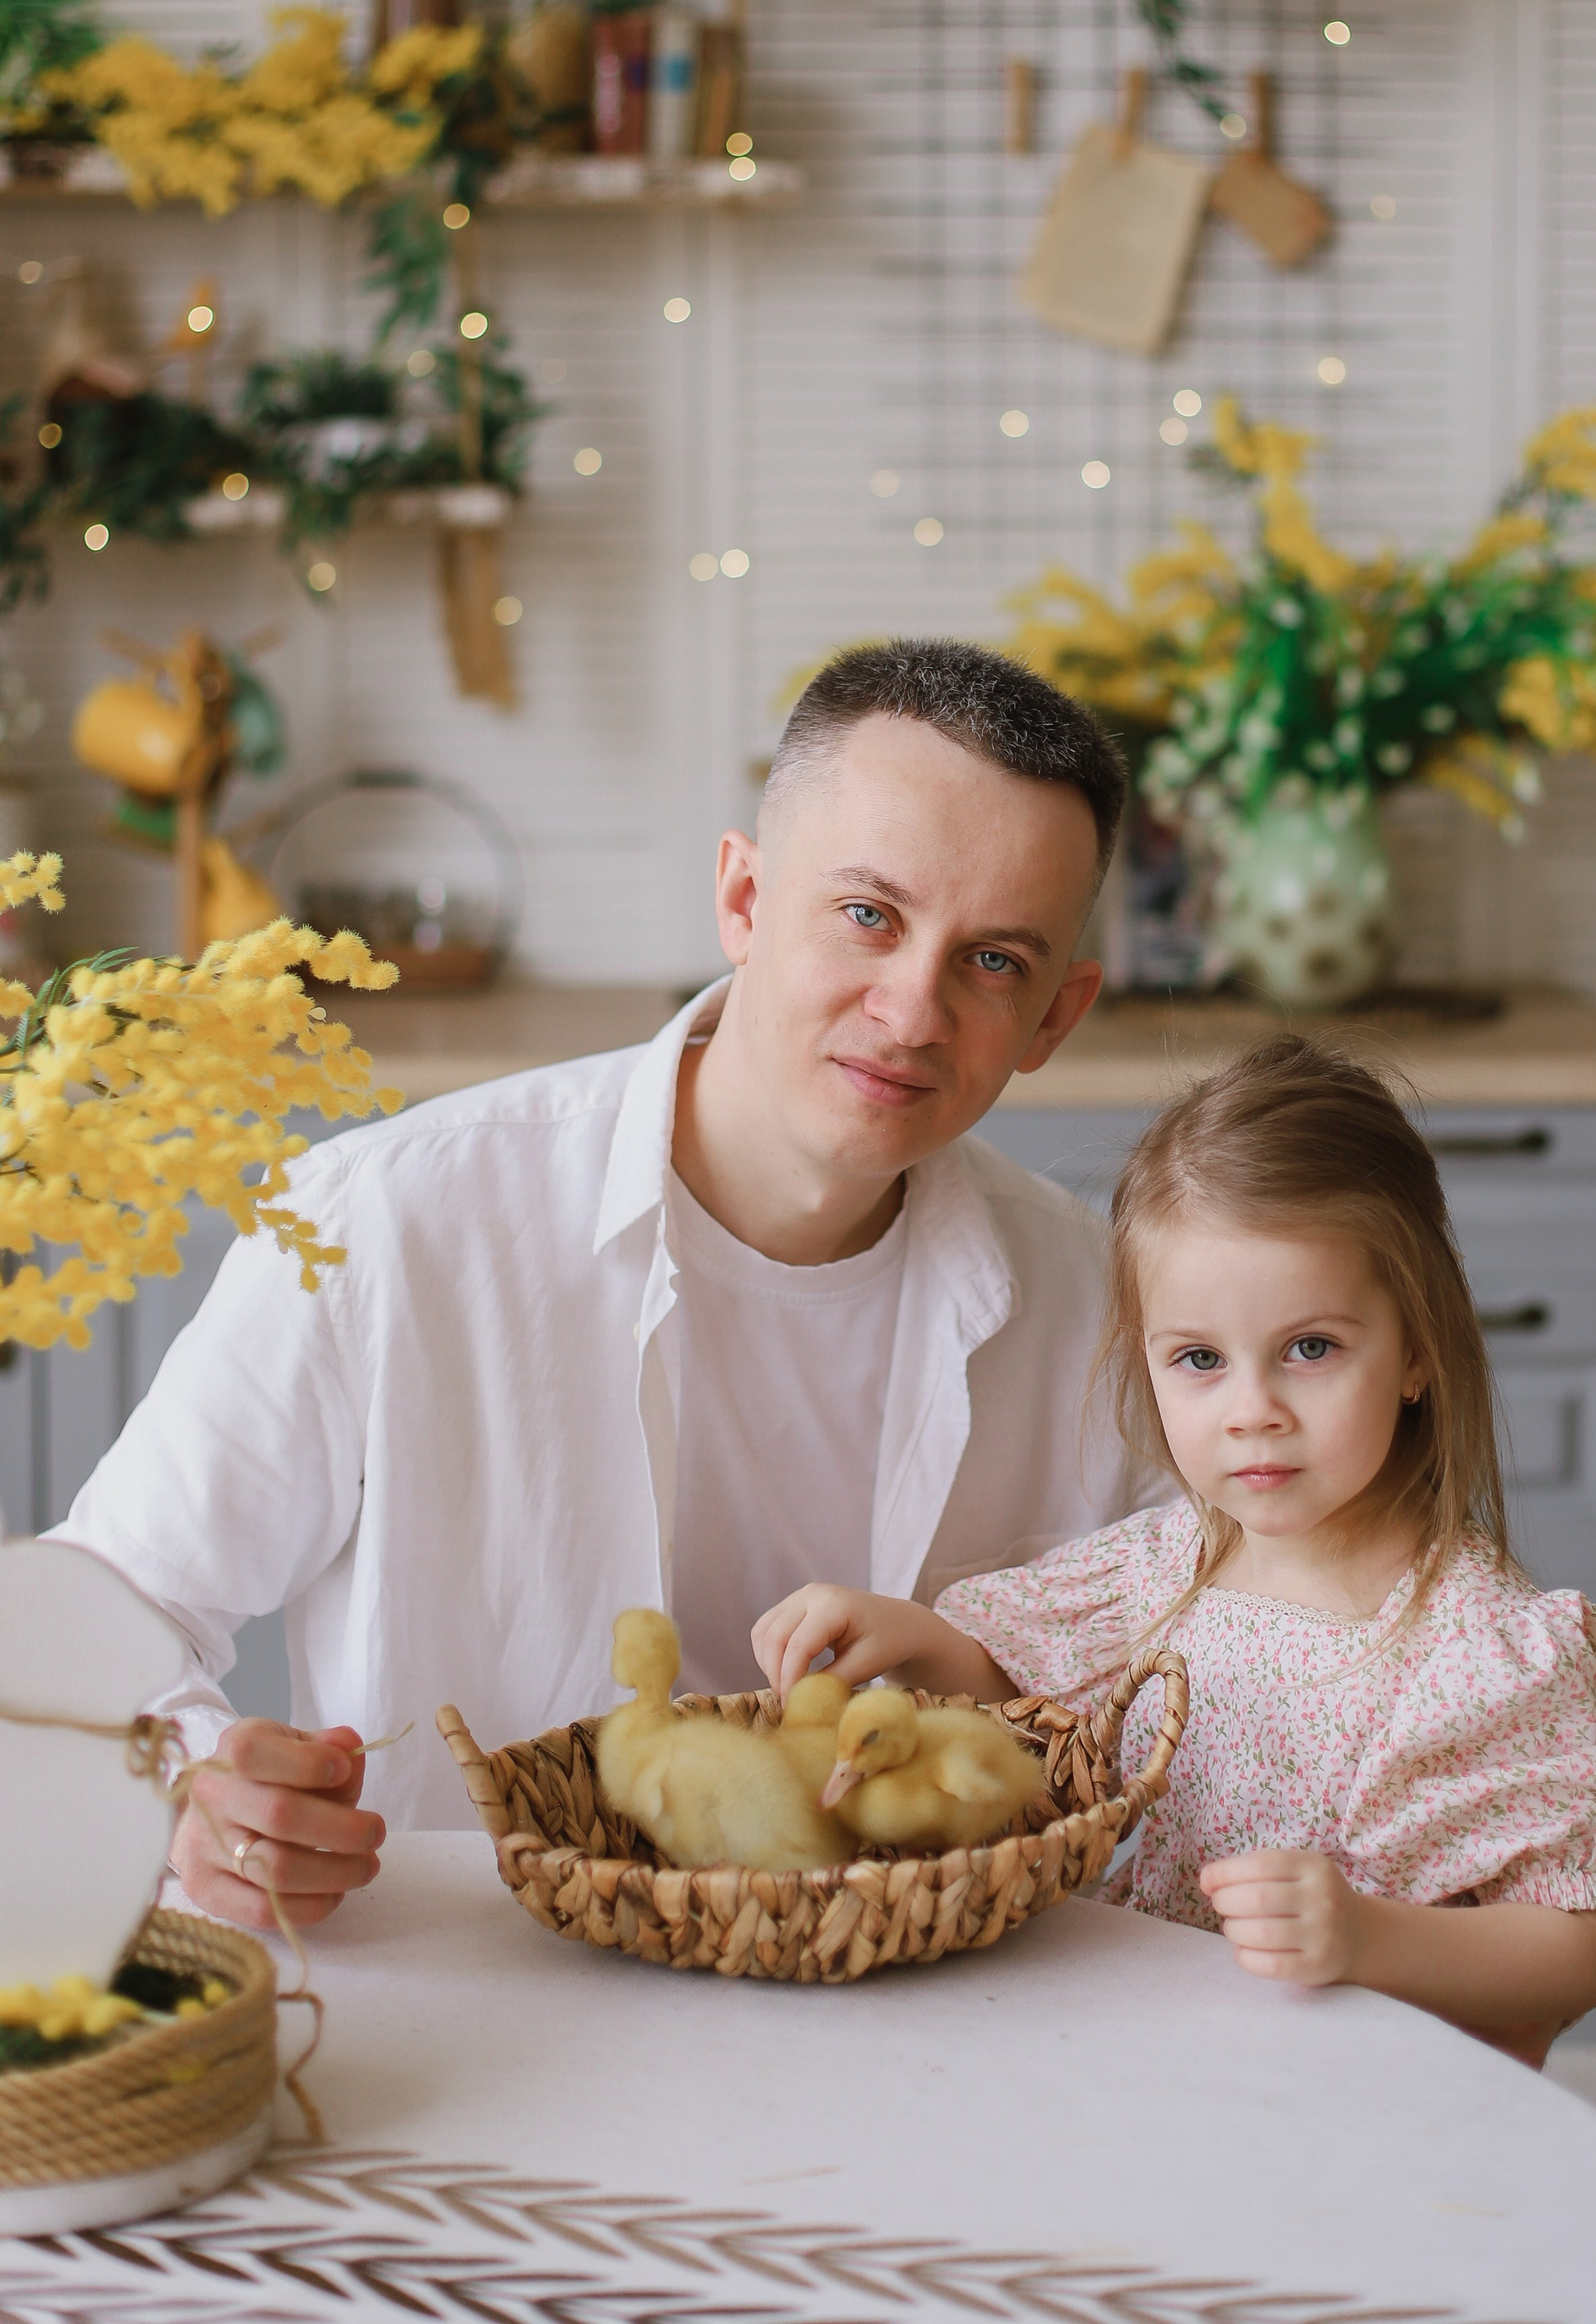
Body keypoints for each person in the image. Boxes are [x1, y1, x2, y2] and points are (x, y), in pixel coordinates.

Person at [56, 640, 1157, 1933]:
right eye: (869, 914)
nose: (913, 1010)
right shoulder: (383, 1223)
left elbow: (1225, 1647)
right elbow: (101, 1604)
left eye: (995, 962)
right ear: (744, 899)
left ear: (1056, 1016)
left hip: (948, 2000)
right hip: (477, 1990)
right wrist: (189, 1793)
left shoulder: (1107, 1311)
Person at [755, 1038, 1596, 2068]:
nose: (1252, 1410)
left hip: (1368, 2096)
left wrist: (1367, 1937)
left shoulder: (1479, 1651)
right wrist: (915, 1639)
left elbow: (1575, 1951)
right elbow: (1031, 1712)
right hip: (1176, 2065)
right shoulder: (1165, 1570)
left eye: (1310, 1348)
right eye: (1201, 1359)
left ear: (1418, 1350)